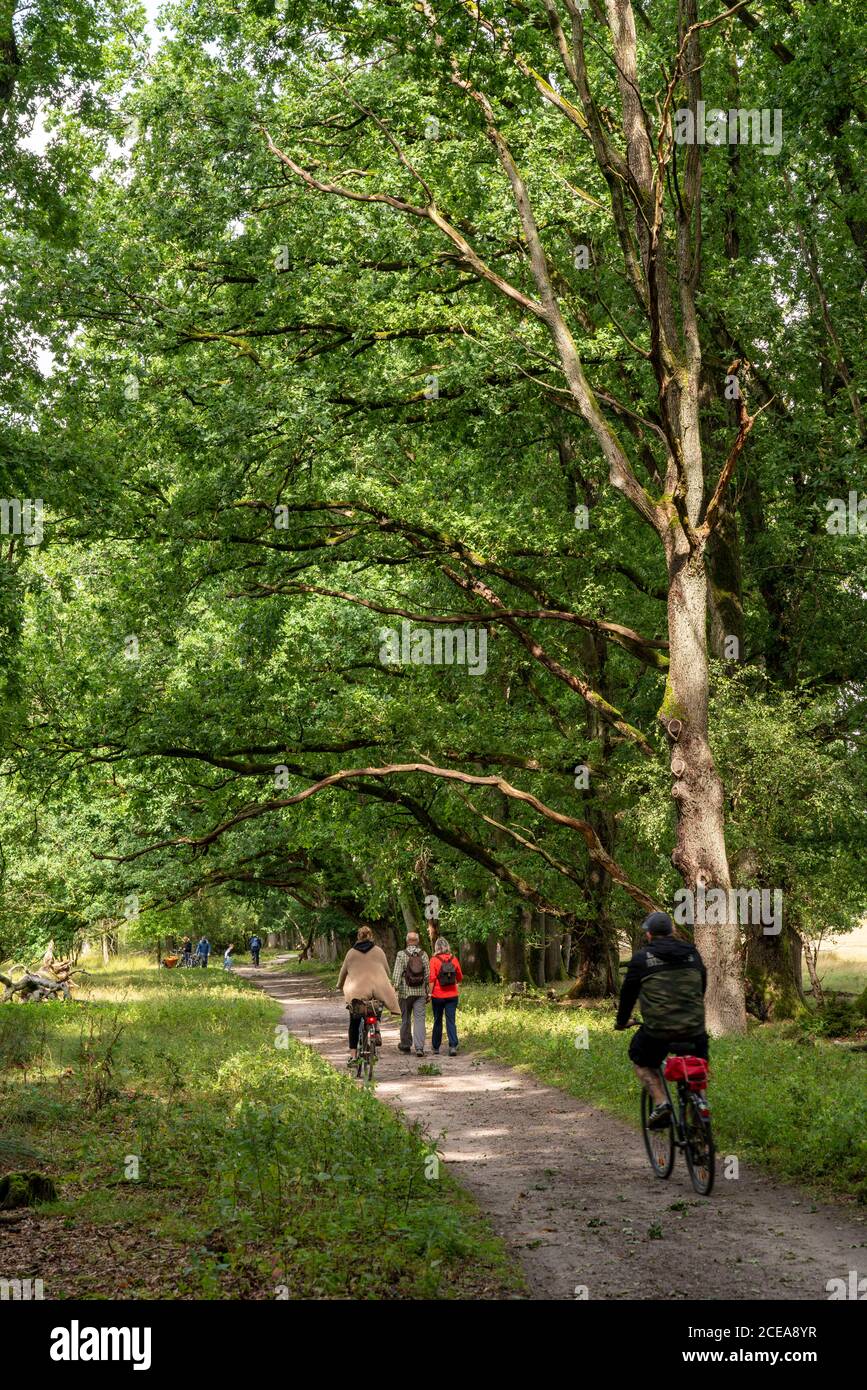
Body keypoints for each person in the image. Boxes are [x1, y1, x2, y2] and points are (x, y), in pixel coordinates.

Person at [614, 910, 708, 1130]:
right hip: (694, 1028)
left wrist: (621, 1022)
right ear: (673, 931)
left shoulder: (641, 959)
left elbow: (628, 995)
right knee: (696, 1068)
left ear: (649, 935)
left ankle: (661, 1102)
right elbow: (701, 986)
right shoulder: (693, 953)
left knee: (641, 1059)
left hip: (658, 1031)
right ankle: (700, 1109)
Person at [336, 926, 400, 1064]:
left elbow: (343, 973)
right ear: (371, 936)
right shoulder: (379, 951)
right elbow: (387, 971)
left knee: (354, 1023)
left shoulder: (351, 953)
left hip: (356, 994)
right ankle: (376, 1027)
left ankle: (353, 1056)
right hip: (376, 991)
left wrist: (339, 985)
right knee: (376, 1005)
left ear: (358, 937)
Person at [392, 931, 430, 1057]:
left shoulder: (401, 955)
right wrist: (428, 992)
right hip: (420, 993)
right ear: (417, 941)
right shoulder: (423, 955)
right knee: (419, 1020)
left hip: (405, 993)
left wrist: (394, 989)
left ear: (407, 941)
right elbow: (427, 976)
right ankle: (419, 1048)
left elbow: (397, 974)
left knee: (406, 1019)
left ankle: (406, 1045)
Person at [429, 936, 463, 1056]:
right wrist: (456, 982)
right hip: (452, 995)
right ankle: (453, 1046)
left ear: (436, 947)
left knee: (437, 1020)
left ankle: (436, 1046)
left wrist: (430, 993)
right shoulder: (454, 959)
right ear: (447, 946)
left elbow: (432, 978)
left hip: (437, 995)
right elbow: (459, 976)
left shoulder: (433, 960)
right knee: (451, 1020)